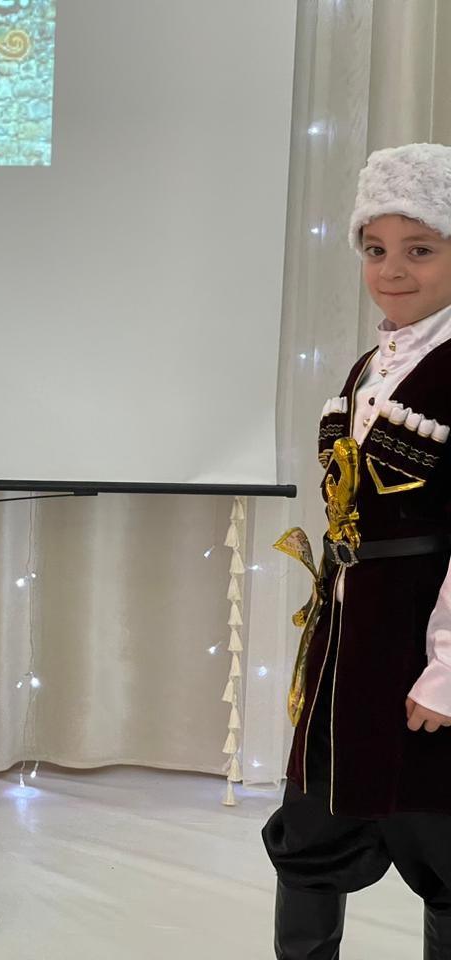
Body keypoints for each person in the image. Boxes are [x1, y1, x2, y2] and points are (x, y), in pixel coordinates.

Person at [264, 142, 451, 960]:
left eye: (421, 249)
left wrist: (448, 670)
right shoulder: (369, 365)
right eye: (376, 249)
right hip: (348, 645)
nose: (392, 270)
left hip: (418, 642)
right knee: (311, 829)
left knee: (439, 838)